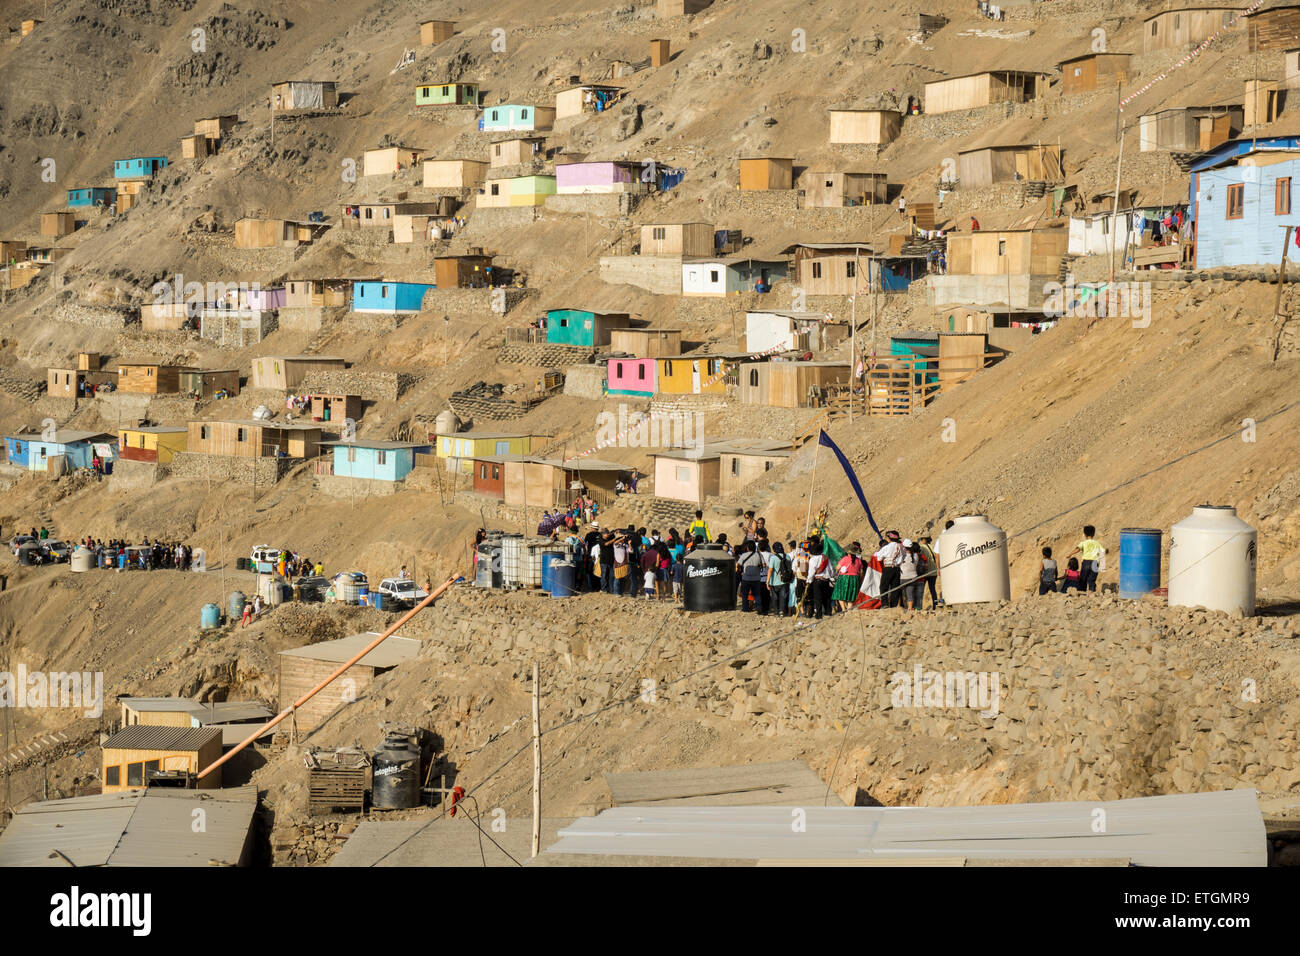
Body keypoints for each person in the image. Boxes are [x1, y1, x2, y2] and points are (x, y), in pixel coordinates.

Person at [874, 532, 905, 608]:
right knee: (895, 587)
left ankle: (884, 604)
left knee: (884, 586)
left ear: (889, 538)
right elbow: (904, 556)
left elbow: (879, 558)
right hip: (897, 568)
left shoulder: (887, 547)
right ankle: (894, 604)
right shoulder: (902, 547)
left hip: (888, 568)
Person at [1068, 526, 1102, 593]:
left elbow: (1077, 549)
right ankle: (1092, 593)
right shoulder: (1097, 543)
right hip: (1095, 563)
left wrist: (1070, 554)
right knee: (1092, 580)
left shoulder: (1083, 543)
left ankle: (1081, 593)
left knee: (1083, 579)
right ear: (1094, 533)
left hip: (1086, 562)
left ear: (1085, 534)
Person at [806, 542, 835, 619]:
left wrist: (809, 581)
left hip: (817, 580)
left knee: (818, 598)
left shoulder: (812, 559)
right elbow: (831, 570)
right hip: (826, 580)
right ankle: (828, 612)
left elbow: (811, 572)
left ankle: (818, 615)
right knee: (827, 597)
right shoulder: (826, 558)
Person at [833, 544, 864, 611]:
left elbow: (837, 568)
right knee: (851, 594)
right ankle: (849, 609)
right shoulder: (859, 560)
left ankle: (843, 609)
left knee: (840, 593)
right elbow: (861, 572)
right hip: (855, 579)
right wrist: (860, 580)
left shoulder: (844, 559)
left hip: (844, 578)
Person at [737, 541, 766, 613]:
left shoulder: (743, 555)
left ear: (747, 547)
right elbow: (764, 565)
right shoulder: (759, 555)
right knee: (757, 594)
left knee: (745, 594)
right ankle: (759, 607)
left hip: (746, 578)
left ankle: (745, 608)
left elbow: (738, 564)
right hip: (756, 578)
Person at [899, 540, 923, 610]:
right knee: (910, 594)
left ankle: (898, 607)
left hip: (902, 577)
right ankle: (910, 609)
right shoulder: (915, 555)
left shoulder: (901, 556)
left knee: (899, 594)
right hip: (913, 577)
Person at [918, 536, 940, 609]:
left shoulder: (922, 547)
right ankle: (935, 605)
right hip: (933, 571)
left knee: (921, 591)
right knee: (932, 589)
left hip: (926, 572)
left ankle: (919, 606)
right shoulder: (933, 546)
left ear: (924, 539)